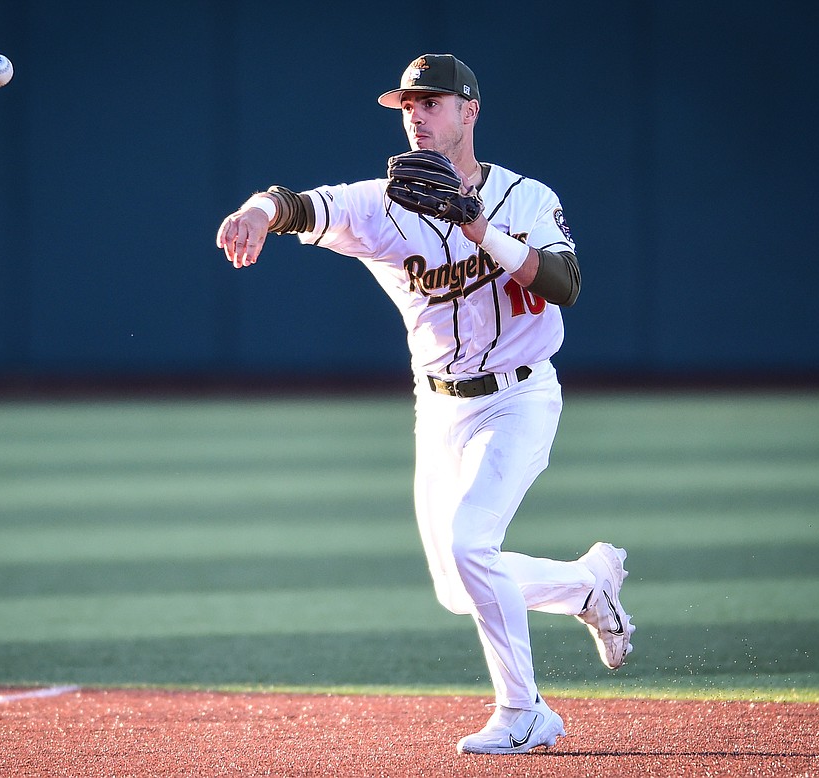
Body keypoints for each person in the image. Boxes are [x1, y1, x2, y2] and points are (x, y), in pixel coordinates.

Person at [216, 53, 634, 756]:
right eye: (407, 105)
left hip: (520, 396)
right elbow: (296, 204)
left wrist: (477, 227)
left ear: (470, 111)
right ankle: (587, 586)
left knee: (474, 546)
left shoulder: (526, 198)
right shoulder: (382, 203)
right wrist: (254, 212)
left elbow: (564, 283)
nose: (415, 115)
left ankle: (525, 712)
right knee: (457, 584)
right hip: (438, 409)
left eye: (431, 102)